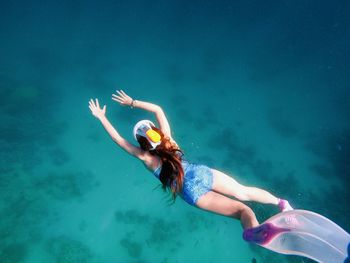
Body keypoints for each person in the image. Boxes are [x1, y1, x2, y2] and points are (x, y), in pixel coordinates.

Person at [88, 90, 293, 231]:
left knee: (243, 211)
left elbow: (118, 139)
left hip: (190, 191)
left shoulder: (146, 157)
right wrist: (133, 102)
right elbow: (158, 109)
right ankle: (281, 204)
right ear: (155, 131)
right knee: (244, 192)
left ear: (141, 144)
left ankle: (255, 232)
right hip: (200, 172)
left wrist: (101, 117)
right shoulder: (168, 139)